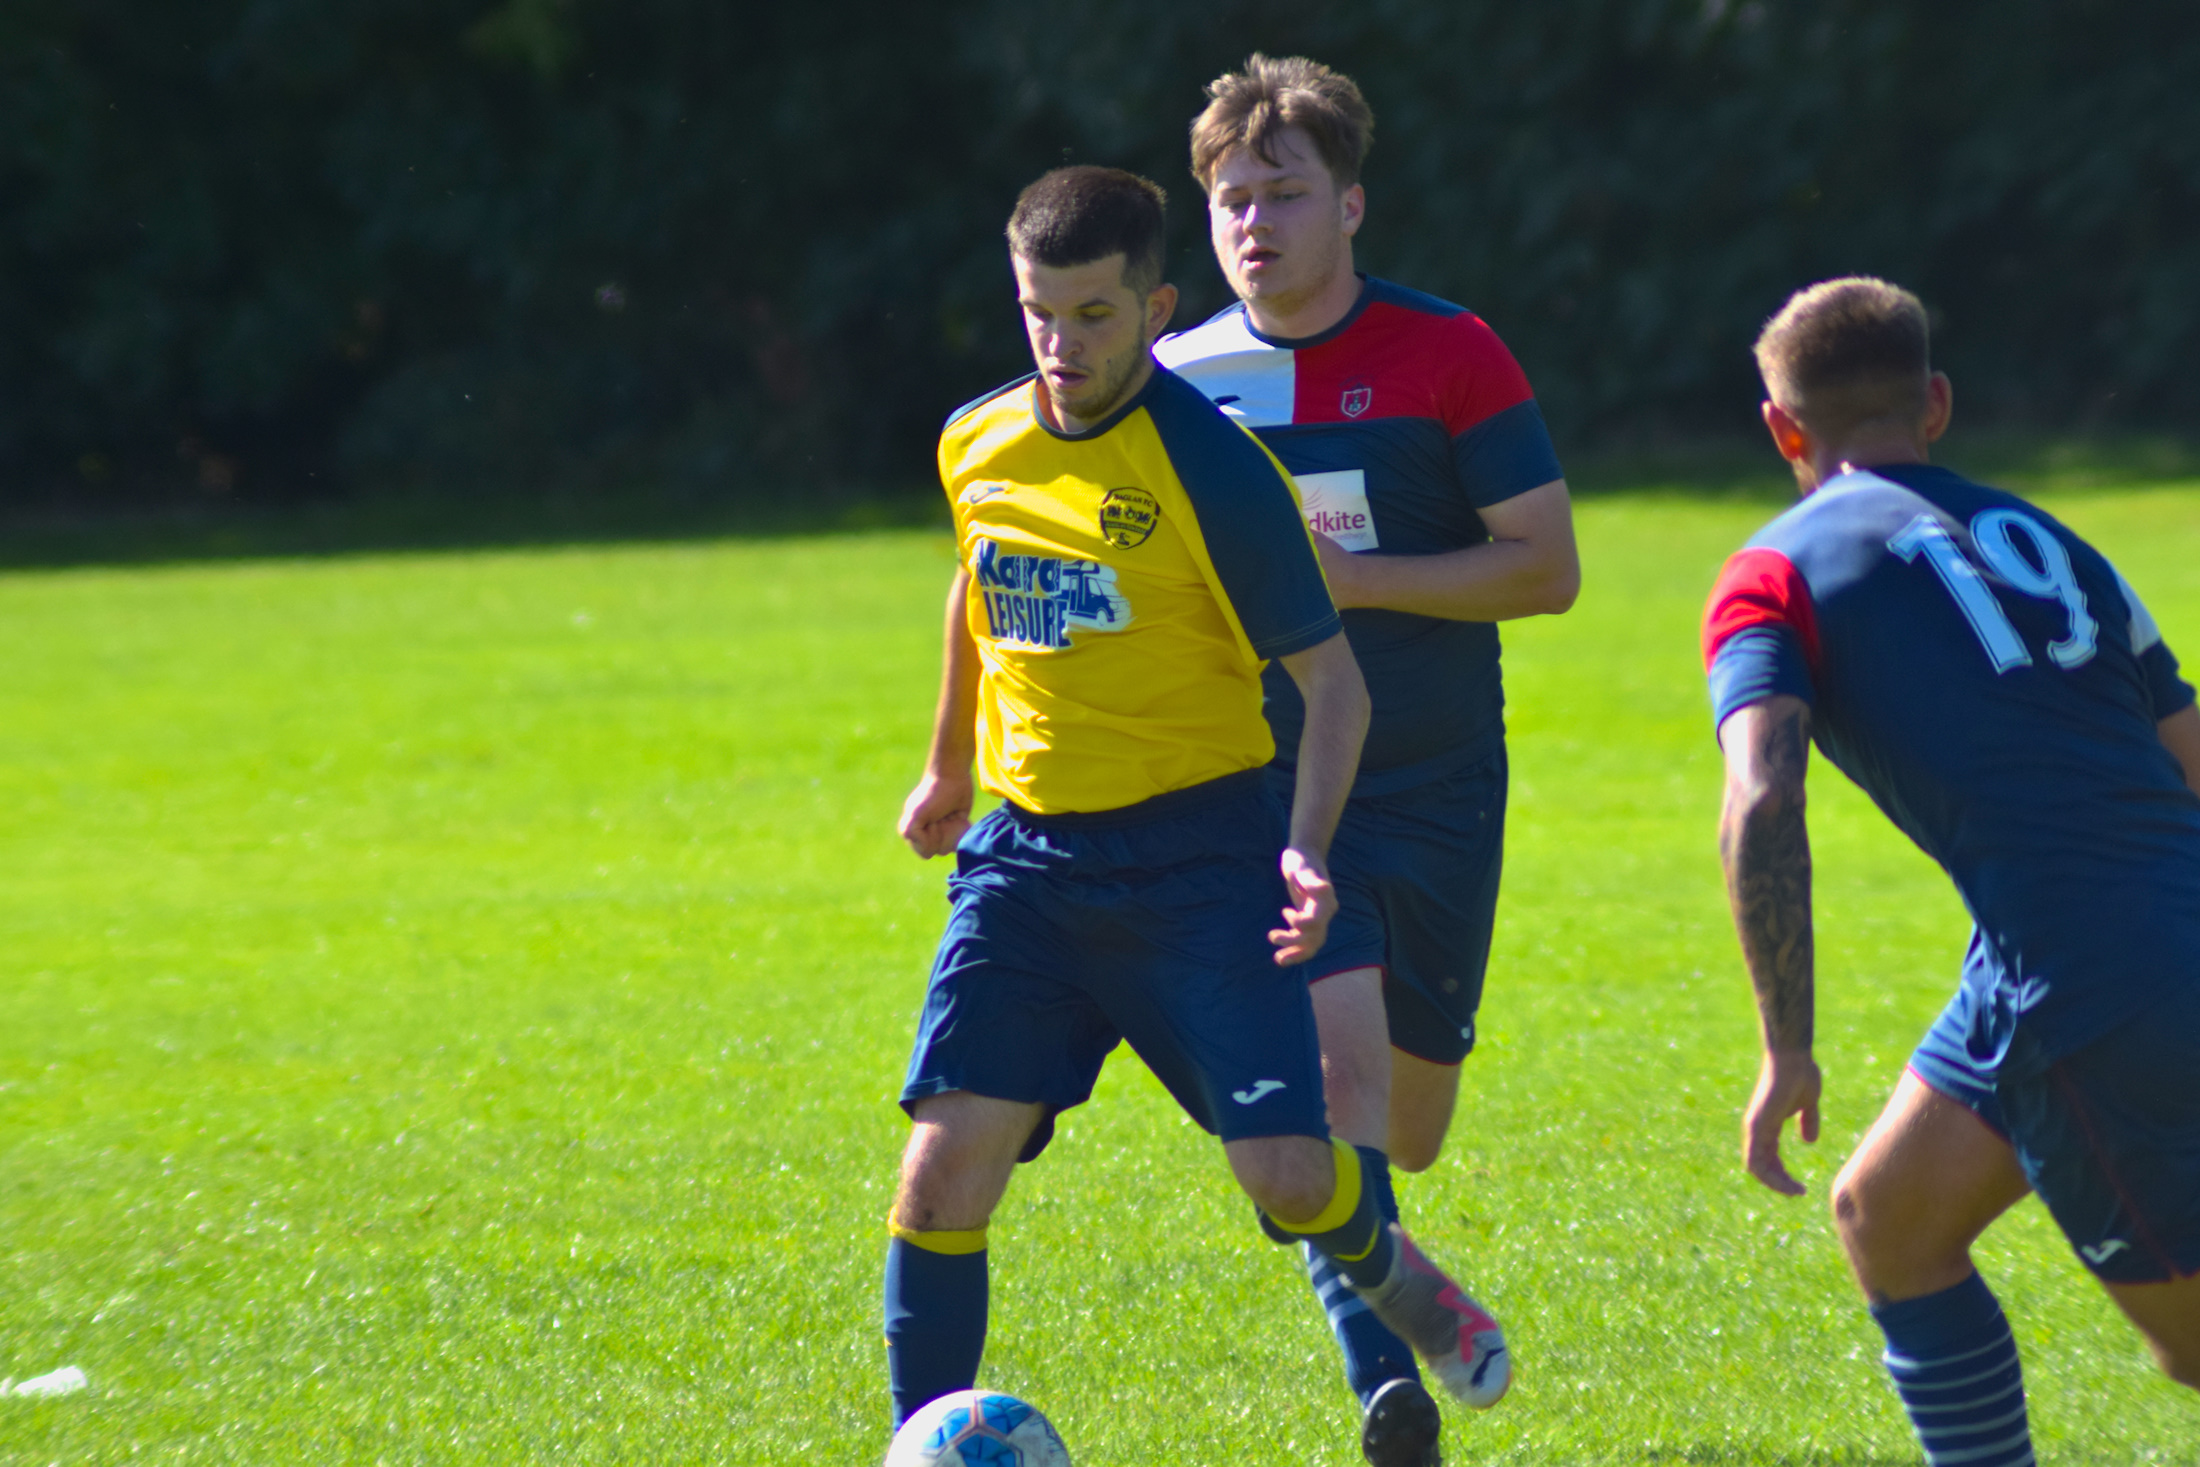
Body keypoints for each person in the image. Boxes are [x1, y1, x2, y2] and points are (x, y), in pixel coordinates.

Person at [882, 164, 1506, 1441]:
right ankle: (919, 1437)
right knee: (940, 1183)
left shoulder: (1214, 472)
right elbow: (978, 584)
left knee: (1286, 1178)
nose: (1061, 346)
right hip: (1027, 869)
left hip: (1198, 860)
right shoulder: (973, 438)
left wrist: (1309, 853)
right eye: (1037, 314)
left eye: (1094, 317)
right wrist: (951, 766)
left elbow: (1334, 688)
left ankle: (1386, 1267)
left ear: (1157, 308)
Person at [1155, 53, 1577, 1464]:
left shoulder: (1451, 350)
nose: (1254, 223)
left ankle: (1390, 1255)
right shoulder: (1174, 382)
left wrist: (1362, 581)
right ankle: (1385, 1382)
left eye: (1283, 194)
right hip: (1268, 790)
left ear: (1352, 202)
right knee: (1333, 1088)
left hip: (1441, 780)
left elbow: (1546, 569)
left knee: (1410, 1117)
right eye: (1229, 201)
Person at [1705, 276, 2200, 1466]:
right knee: (1889, 1217)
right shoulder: (2064, 548)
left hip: (2077, 977)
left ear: (1781, 430)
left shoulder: (1769, 572)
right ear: (1934, 404)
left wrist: (1785, 1045)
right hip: (2086, 941)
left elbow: (1761, 797)